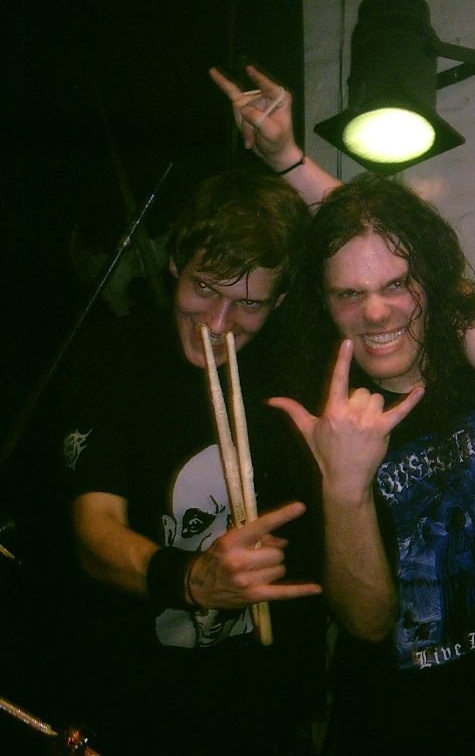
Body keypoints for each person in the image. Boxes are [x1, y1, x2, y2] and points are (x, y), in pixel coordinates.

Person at [60, 170, 324, 756]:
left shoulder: (298, 370)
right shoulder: (114, 358)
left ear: (279, 301)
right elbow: (94, 531)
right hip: (139, 703)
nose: (219, 323)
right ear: (176, 263)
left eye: (249, 303)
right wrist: (192, 579)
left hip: (266, 710)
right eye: (204, 287)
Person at [266, 173, 475, 754]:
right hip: (395, 727)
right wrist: (345, 487)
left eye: (397, 284)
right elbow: (366, 623)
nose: (376, 312)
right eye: (349, 294)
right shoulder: (318, 420)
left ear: (429, 279)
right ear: (323, 303)